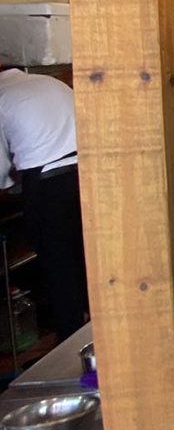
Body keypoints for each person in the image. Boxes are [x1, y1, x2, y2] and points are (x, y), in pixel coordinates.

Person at [0, 65, 90, 341]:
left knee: (59, 268)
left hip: (49, 186)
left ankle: (72, 346)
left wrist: (12, 185)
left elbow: (1, 173)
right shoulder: (50, 83)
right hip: (89, 174)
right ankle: (103, 339)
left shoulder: (3, 96)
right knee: (89, 260)